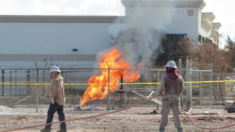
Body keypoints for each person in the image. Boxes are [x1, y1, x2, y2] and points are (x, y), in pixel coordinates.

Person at [158, 61, 184, 132]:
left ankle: (162, 129)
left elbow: (161, 88)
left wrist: (160, 93)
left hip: (166, 99)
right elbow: (182, 89)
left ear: (168, 68)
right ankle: (179, 129)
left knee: (164, 115)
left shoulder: (165, 77)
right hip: (176, 99)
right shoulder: (180, 78)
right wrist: (177, 94)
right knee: (177, 115)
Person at [40, 66, 67, 132]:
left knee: (50, 113)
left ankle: (47, 128)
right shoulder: (60, 79)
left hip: (56, 101)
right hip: (61, 101)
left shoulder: (56, 80)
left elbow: (56, 91)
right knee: (61, 115)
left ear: (54, 73)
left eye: (51, 73)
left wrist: (53, 98)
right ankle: (63, 129)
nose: (50, 74)